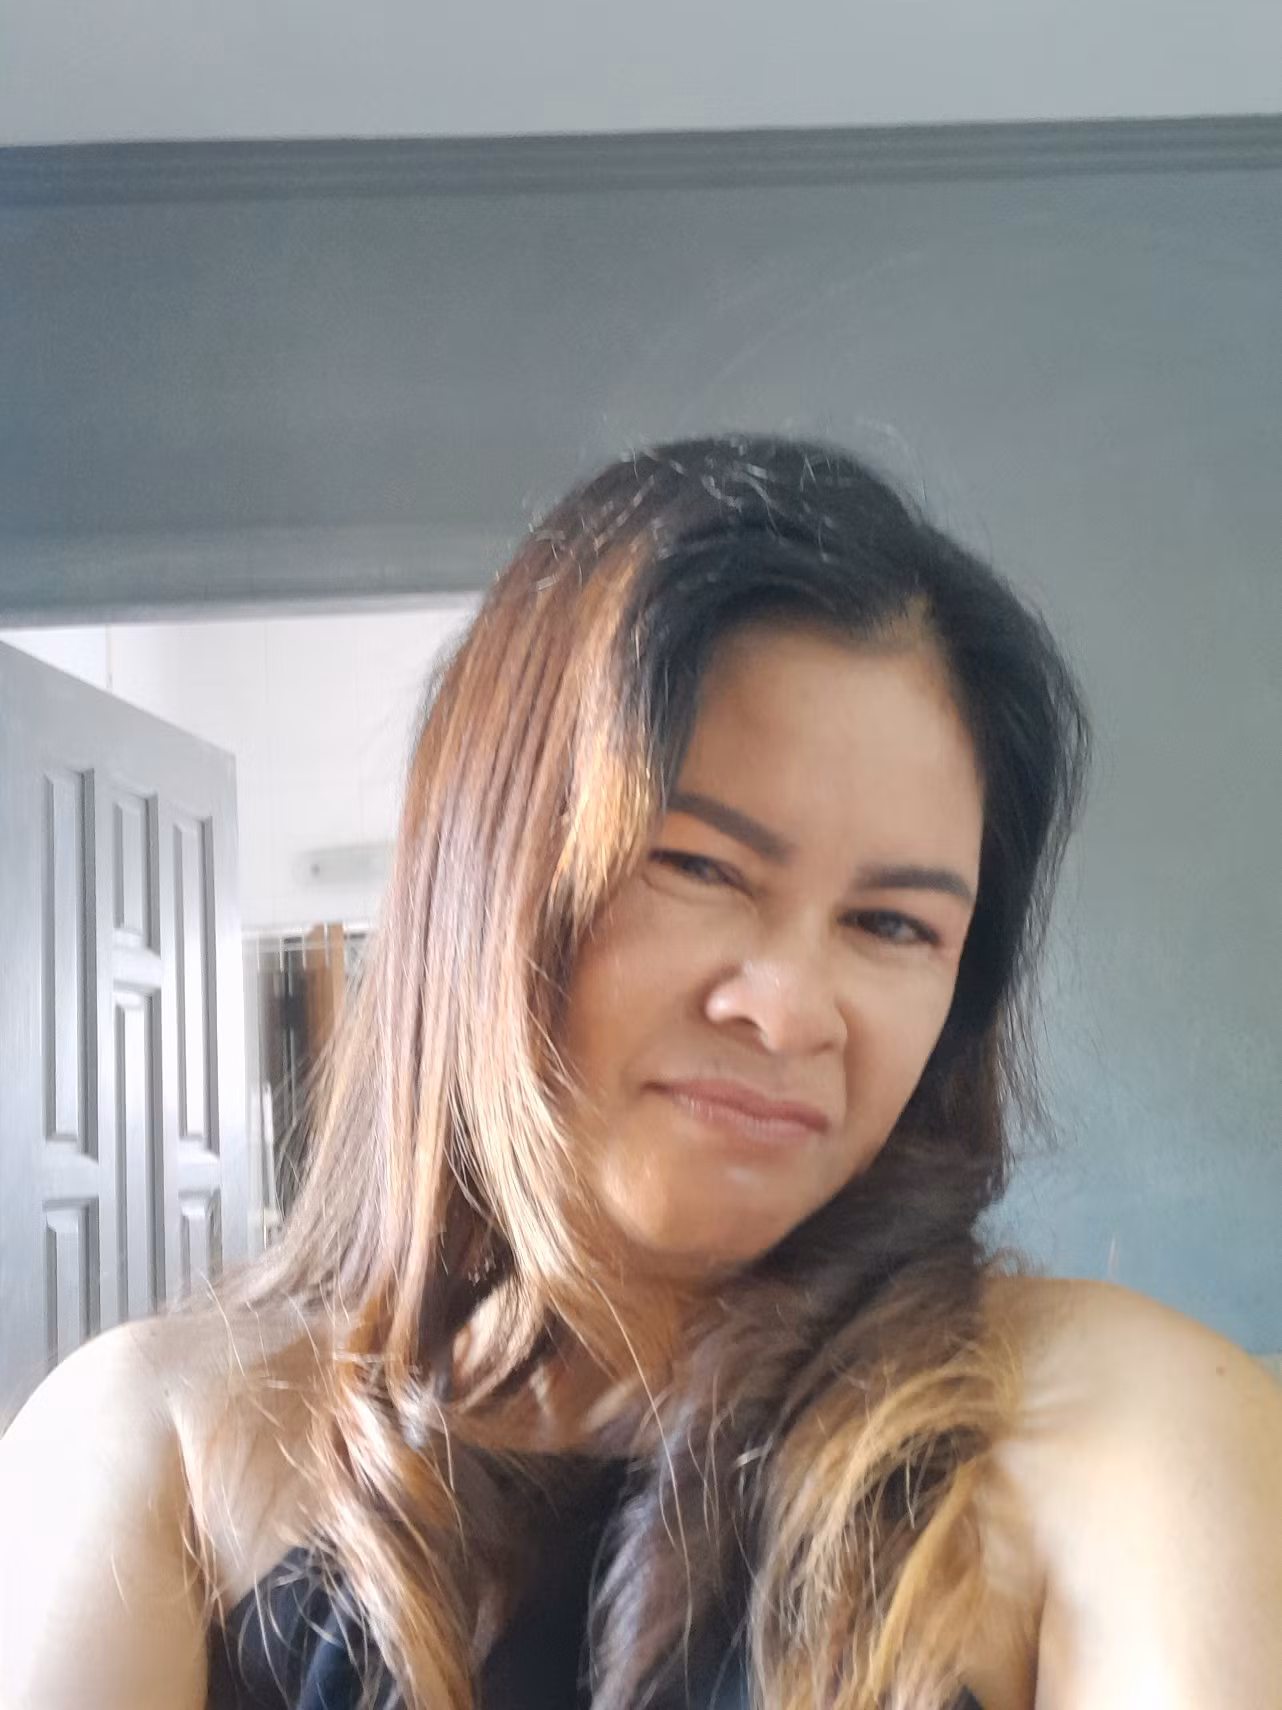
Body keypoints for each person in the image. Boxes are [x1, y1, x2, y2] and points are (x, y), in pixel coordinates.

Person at [1, 435, 1280, 1710]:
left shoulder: (1119, 1432)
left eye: (893, 924)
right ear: (483, 877)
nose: (789, 1010)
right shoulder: (163, 1448)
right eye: (698, 866)